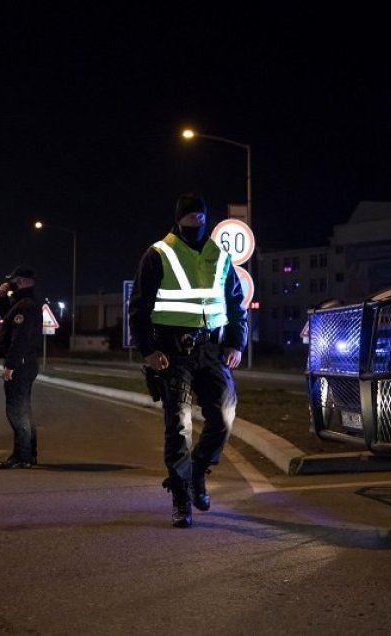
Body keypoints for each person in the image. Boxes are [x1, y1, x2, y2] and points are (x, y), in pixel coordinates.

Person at [129, 193, 248, 528]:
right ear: (179, 218)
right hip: (172, 353)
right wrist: (149, 351)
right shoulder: (159, 254)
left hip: (212, 350)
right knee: (179, 426)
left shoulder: (219, 255)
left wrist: (236, 343)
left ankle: (196, 472)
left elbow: (236, 305)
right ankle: (181, 497)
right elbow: (138, 309)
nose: (196, 222)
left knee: (224, 418)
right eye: (190, 217)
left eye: (201, 216)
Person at [0, 264, 42, 469]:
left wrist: (10, 366)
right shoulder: (23, 303)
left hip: (21, 364)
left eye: (13, 281)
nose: (10, 284)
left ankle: (21, 456)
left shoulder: (26, 305)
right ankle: (28, 454)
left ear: (20, 281)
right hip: (26, 363)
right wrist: (2, 297)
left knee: (16, 409)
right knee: (23, 408)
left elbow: (20, 338)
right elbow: (8, 317)